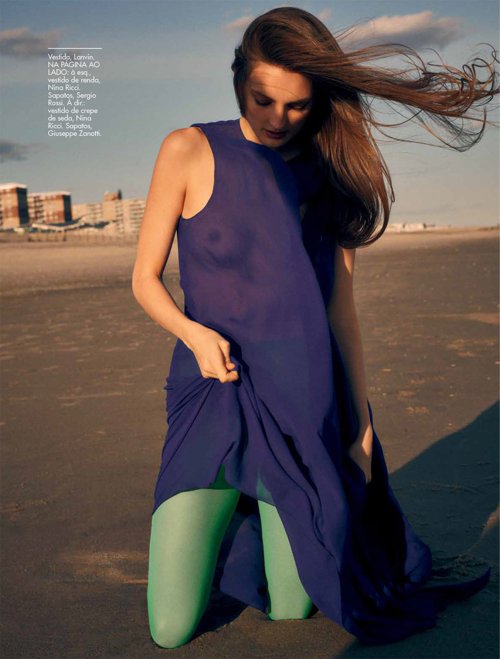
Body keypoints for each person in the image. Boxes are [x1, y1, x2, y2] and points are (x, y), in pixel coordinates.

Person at [131, 6, 498, 650]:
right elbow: (144, 279)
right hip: (211, 391)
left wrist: (360, 426)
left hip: (302, 398)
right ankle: (234, 515)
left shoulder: (331, 173)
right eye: (263, 100)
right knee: (170, 628)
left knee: (294, 609)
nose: (278, 118)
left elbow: (340, 312)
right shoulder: (186, 149)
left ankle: (264, 508)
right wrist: (193, 333)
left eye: (297, 105)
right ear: (238, 81)